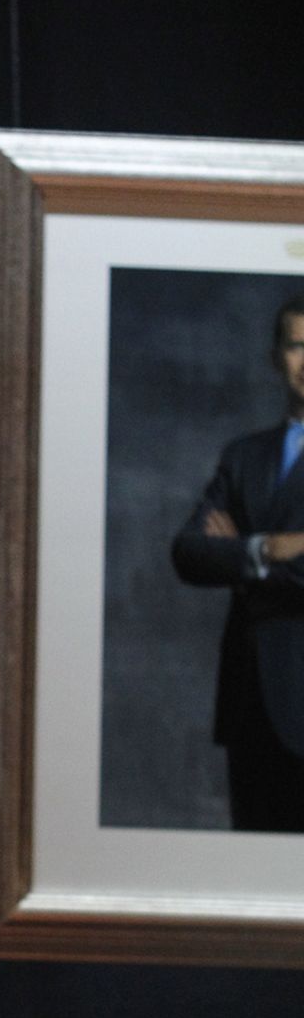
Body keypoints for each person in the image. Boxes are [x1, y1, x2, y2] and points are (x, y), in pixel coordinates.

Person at [171, 294, 304, 829]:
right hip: (249, 704)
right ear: (276, 358)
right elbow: (188, 552)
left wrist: (238, 558)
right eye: (297, 345)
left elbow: (217, 556)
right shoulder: (243, 455)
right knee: (251, 864)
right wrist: (265, 548)